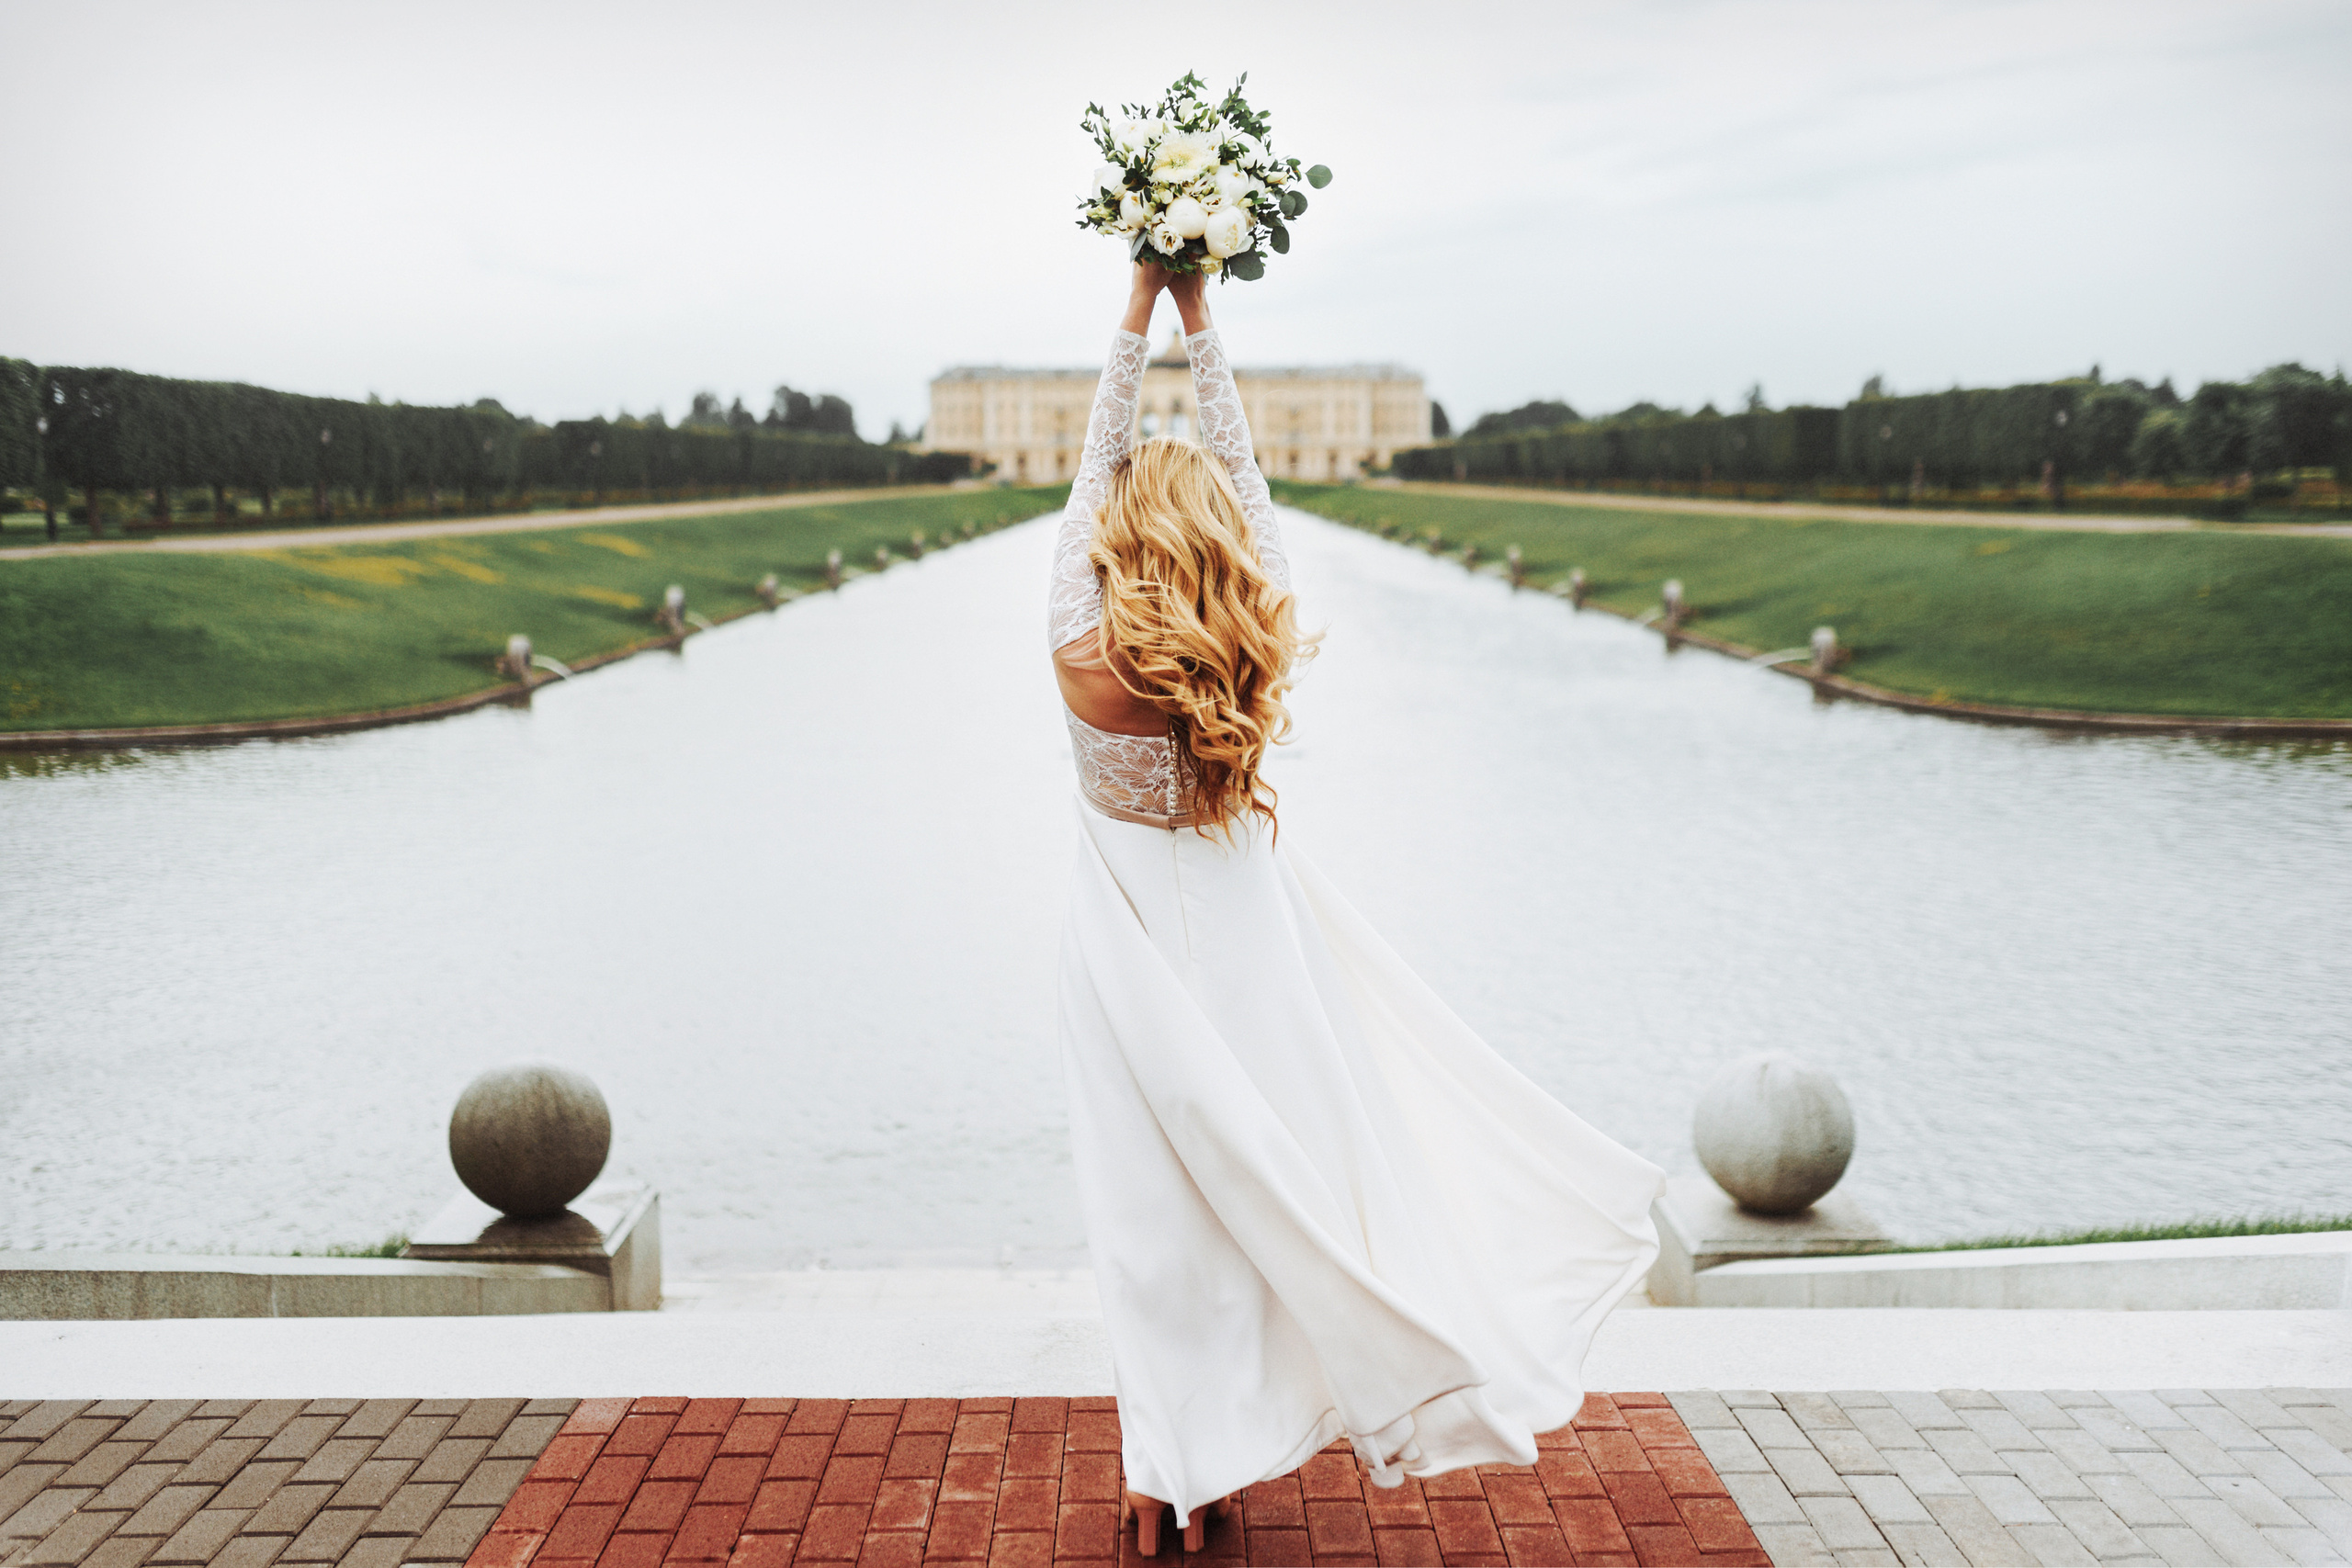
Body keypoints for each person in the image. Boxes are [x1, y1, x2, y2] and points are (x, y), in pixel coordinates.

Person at [1049, 261, 1664, 1558]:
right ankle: (1227, 1449)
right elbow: (1244, 473)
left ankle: (1166, 1470)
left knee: (1146, 1220)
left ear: (1114, 534)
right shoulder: (1250, 623)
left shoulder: (1075, 637)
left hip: (1117, 951)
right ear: (1219, 540)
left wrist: (1138, 302)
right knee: (1270, 1195)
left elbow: (1096, 457)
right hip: (1246, 935)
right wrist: (1201, 314)